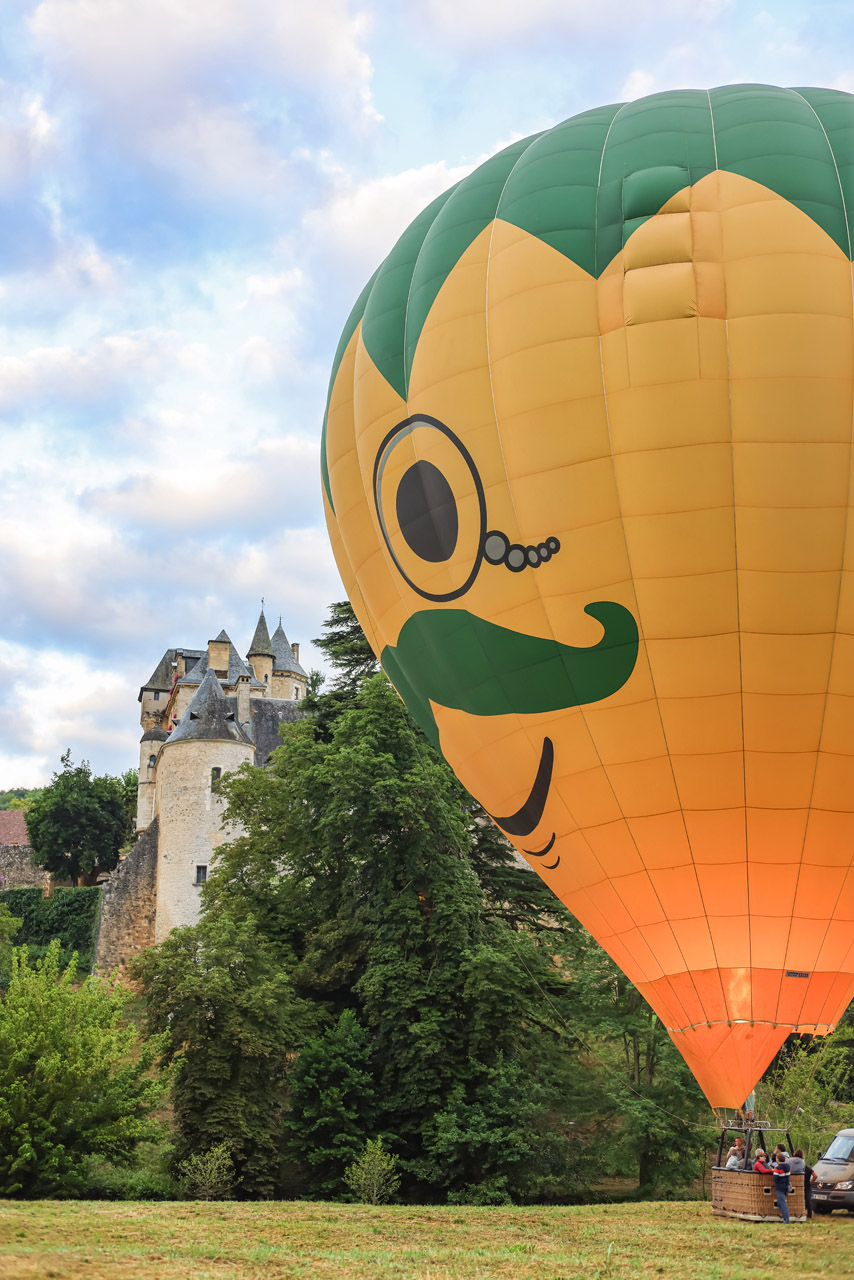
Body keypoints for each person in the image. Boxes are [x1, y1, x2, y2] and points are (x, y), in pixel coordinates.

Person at [772, 1152, 791, 1223]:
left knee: (782, 1203)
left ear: (777, 1159)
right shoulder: (788, 1167)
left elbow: (775, 1179)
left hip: (779, 1187)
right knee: (780, 1202)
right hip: (786, 1186)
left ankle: (786, 1219)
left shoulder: (777, 1168)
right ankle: (784, 1216)